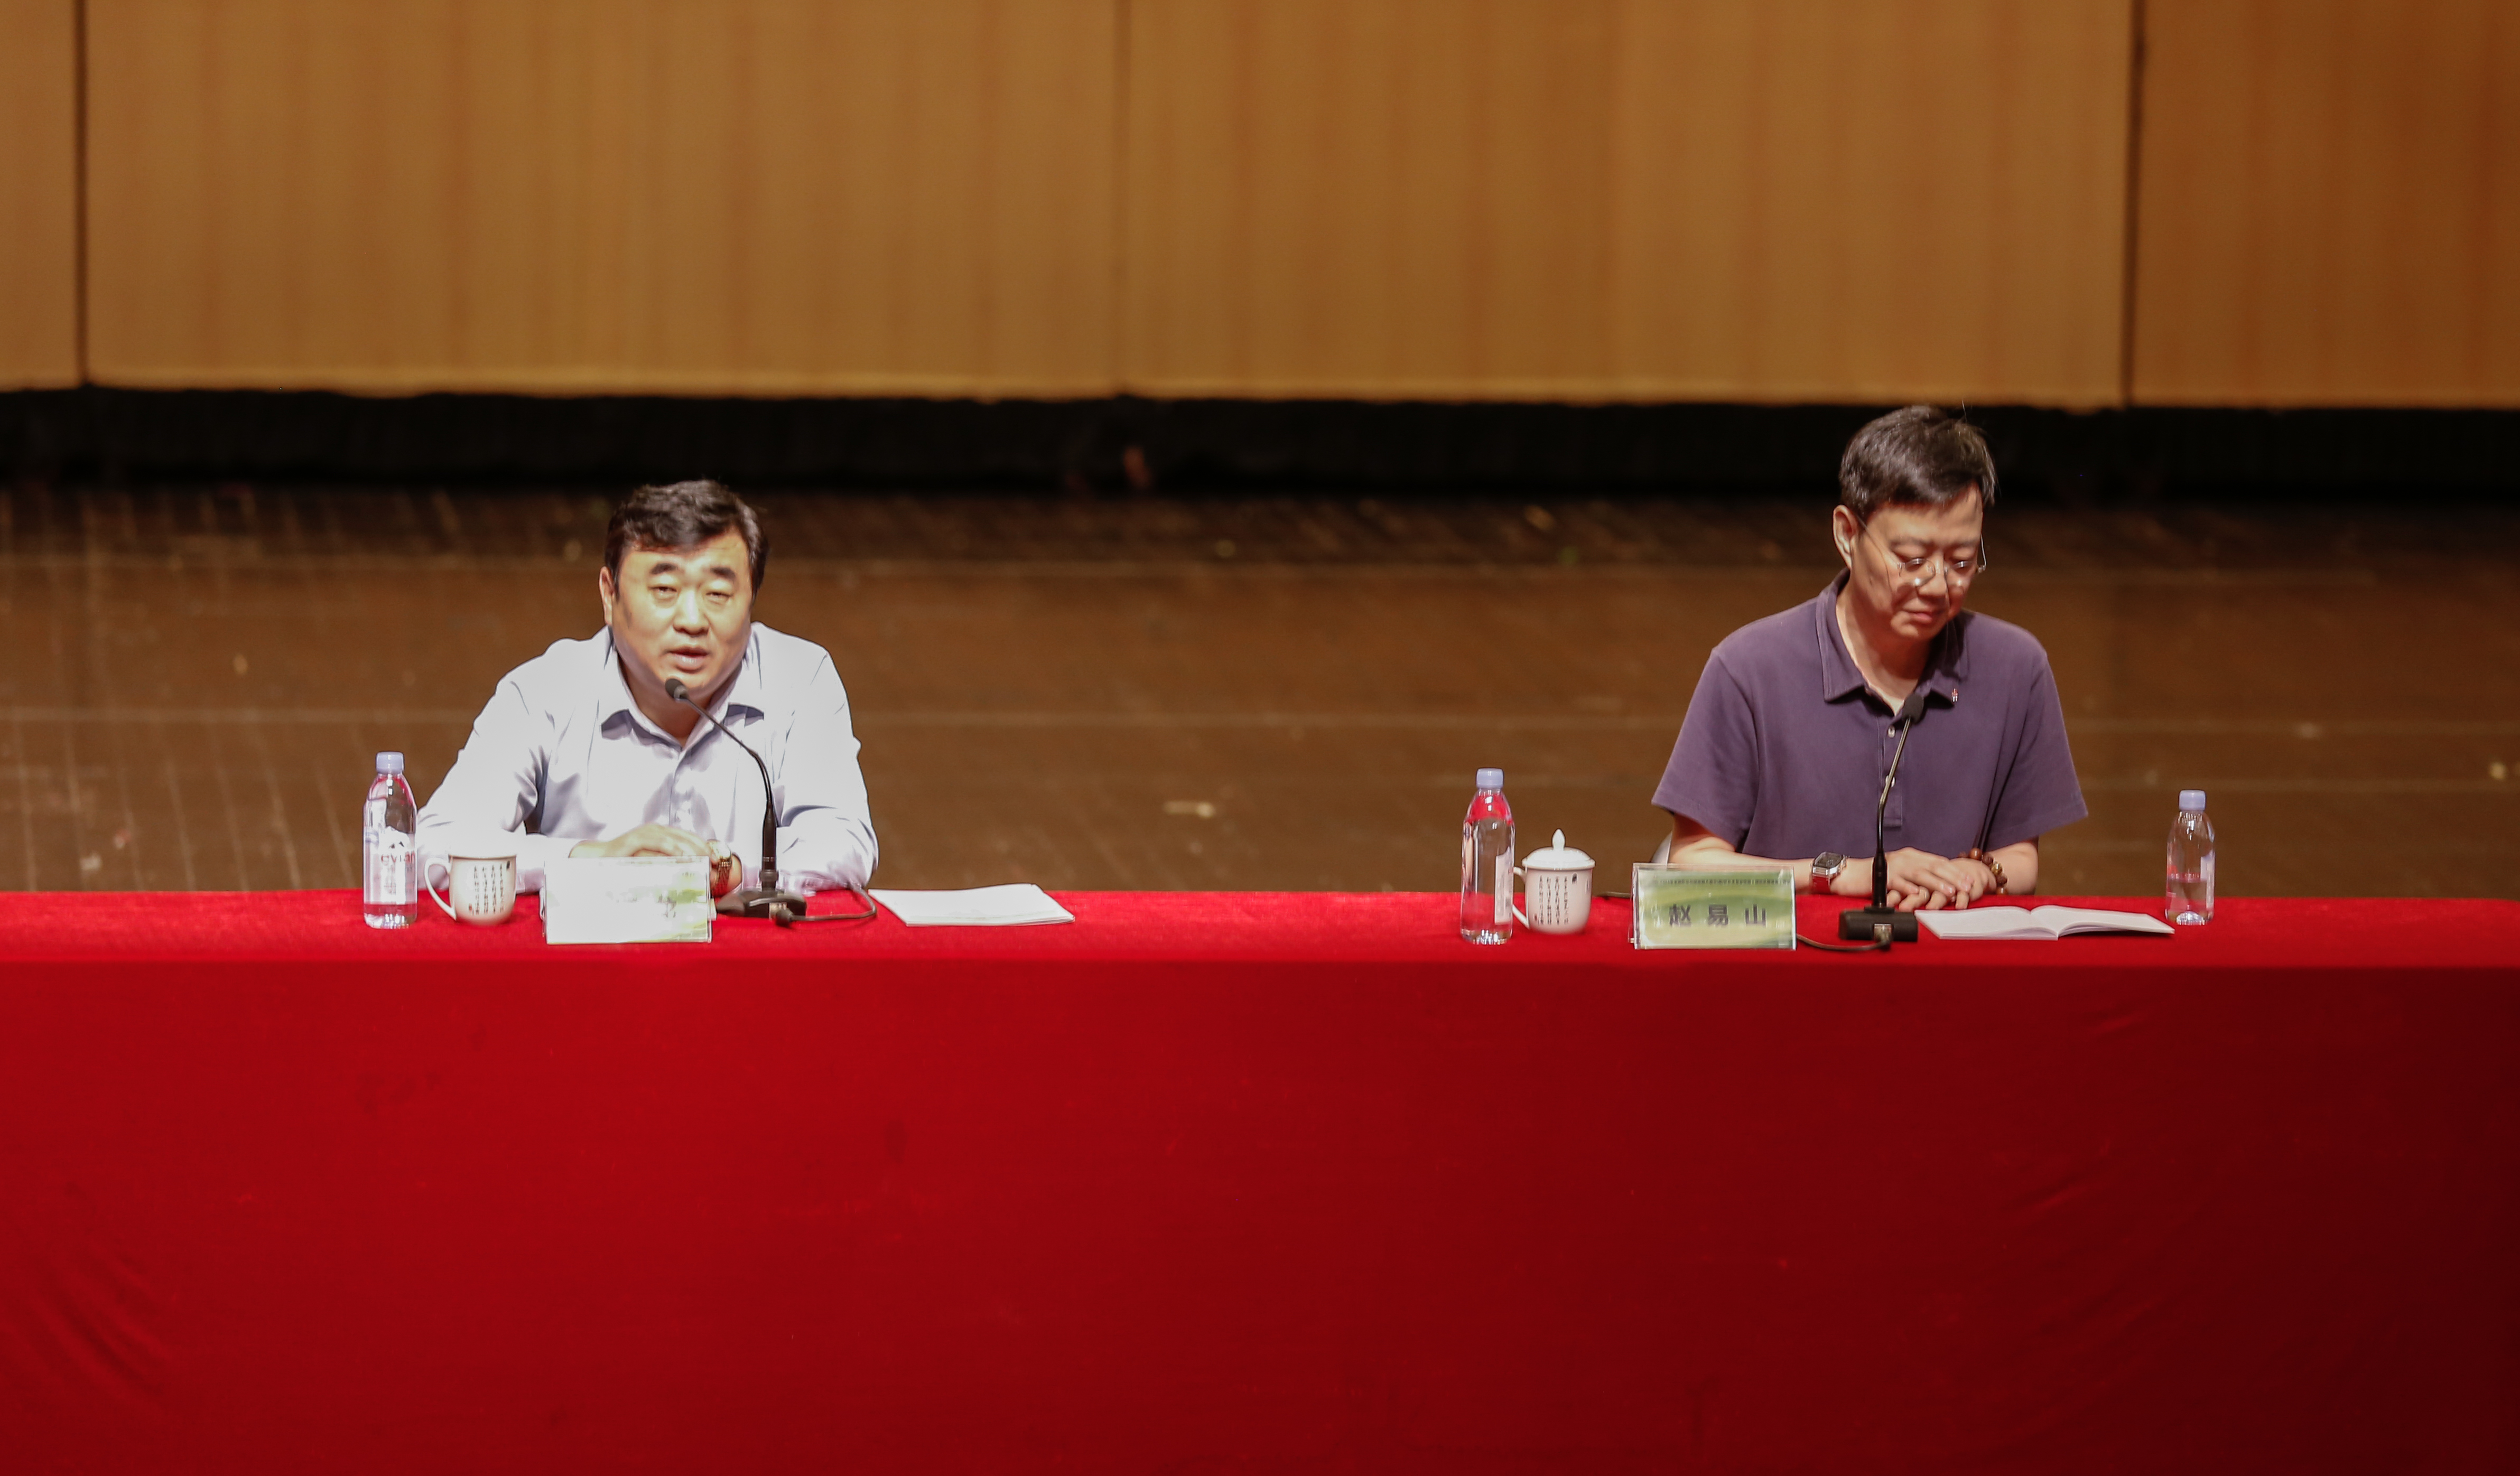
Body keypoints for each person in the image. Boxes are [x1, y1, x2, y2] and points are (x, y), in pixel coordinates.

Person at [1651, 406, 2083, 910]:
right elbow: (1692, 862)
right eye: (1911, 560)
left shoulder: (2016, 668)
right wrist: (1841, 874)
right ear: (1847, 535)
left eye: (1962, 561)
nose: (1938, 585)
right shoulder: (1748, 668)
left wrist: (1978, 873)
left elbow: (2020, 858)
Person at [417, 479, 876, 898]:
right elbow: (434, 846)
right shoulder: (545, 691)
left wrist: (728, 869)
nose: (692, 621)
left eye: (718, 594)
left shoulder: (800, 679)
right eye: (664, 589)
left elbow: (845, 839)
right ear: (609, 595)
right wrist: (593, 860)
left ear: (751, 600)